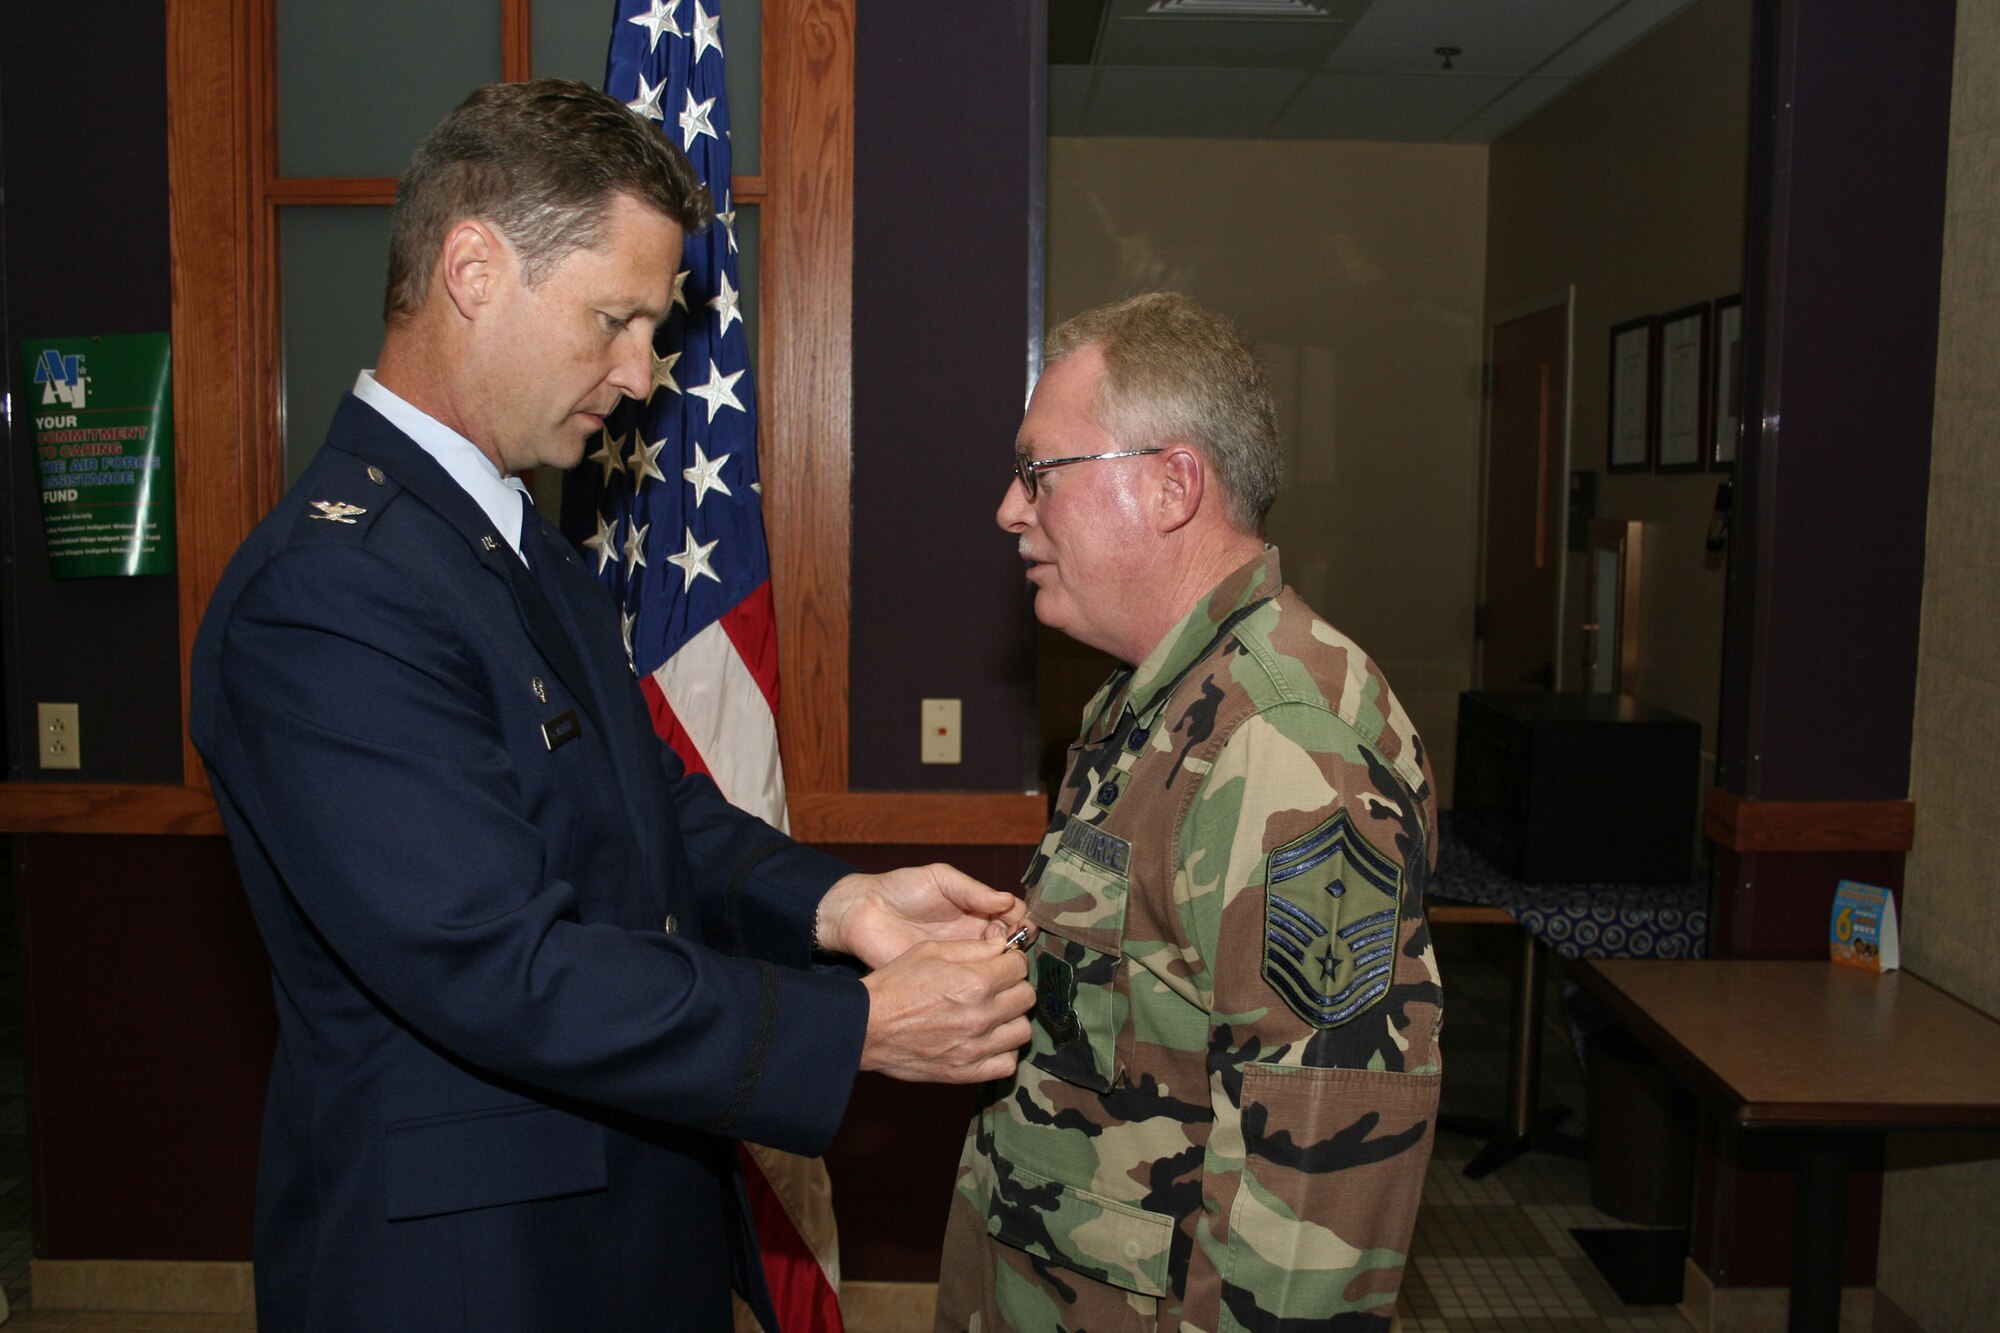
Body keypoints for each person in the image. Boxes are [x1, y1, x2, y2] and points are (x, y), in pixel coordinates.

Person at [190, 80, 1034, 1333]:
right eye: (616, 319)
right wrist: (849, 1028)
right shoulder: (329, 591)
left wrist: (838, 903)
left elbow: (657, 808)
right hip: (472, 1272)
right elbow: (499, 965)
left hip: (621, 1218)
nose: (640, 375)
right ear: (473, 268)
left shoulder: (512, 538)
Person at [937, 293, 1442, 1332]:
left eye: (1038, 473)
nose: (1008, 509)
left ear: (1171, 485)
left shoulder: (1281, 743)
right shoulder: (1158, 697)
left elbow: (1317, 1164)